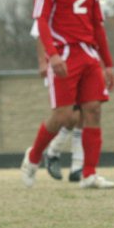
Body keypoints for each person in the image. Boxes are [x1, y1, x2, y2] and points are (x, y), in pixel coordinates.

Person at [20, 0, 114, 189]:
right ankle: (33, 157)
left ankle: (88, 173)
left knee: (93, 111)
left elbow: (98, 26)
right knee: (63, 116)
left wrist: (108, 64)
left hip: (89, 56)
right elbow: (40, 20)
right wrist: (51, 55)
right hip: (63, 54)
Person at [31, 21, 85, 182]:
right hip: (59, 66)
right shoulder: (51, 5)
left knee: (83, 112)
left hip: (81, 63)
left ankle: (78, 164)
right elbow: (39, 31)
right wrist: (42, 61)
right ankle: (52, 152)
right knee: (67, 116)